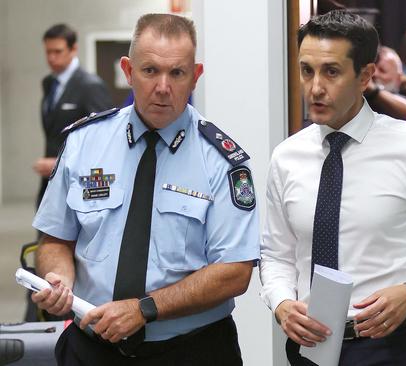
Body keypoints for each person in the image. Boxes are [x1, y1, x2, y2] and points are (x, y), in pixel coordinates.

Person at [260, 10, 406, 366]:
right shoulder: (286, 157)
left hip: (396, 347)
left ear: (365, 76)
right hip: (309, 350)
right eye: (306, 70)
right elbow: (276, 255)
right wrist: (281, 303)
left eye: (331, 71)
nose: (315, 87)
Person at [30, 13, 259, 365]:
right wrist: (58, 279)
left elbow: (234, 271)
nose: (163, 87)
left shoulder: (223, 162)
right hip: (91, 348)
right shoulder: (84, 142)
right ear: (128, 70)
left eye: (177, 73)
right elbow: (56, 238)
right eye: (150, 70)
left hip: (189, 351)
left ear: (195, 77)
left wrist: (144, 310)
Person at [35, 23, 112, 207]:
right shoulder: (48, 83)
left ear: (74, 49)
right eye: (48, 52)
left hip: (78, 185)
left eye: (57, 51)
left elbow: (106, 140)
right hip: (50, 186)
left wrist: (59, 163)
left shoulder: (90, 86)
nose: (51, 58)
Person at [364, 46, 406, 122]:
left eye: (382, 70)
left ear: (398, 79)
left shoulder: (401, 102)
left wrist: (374, 91)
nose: (374, 74)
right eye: (372, 69)